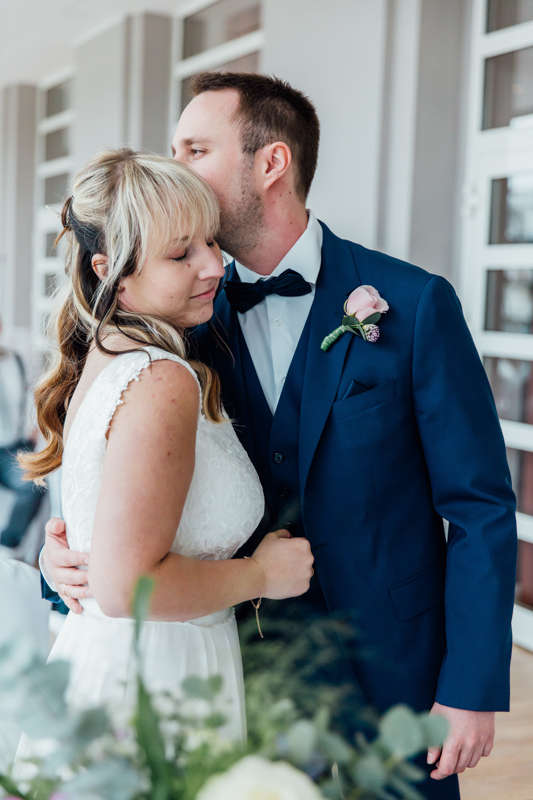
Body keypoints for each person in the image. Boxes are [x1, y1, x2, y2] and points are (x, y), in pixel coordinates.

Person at [42, 75, 517, 798]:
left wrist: (472, 685)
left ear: (270, 164)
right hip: (232, 681)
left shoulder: (415, 304)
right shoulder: (177, 322)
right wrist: (66, 556)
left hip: (393, 680)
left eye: (195, 149)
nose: (174, 167)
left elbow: (478, 506)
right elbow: (125, 486)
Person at [21, 147, 313, 743]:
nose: (213, 267)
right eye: (181, 254)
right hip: (157, 682)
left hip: (125, 659)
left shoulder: (104, 357)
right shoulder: (160, 379)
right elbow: (128, 585)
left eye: (211, 241)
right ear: (110, 271)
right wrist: (260, 575)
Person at [0, 326, 44, 551]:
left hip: (12, 449)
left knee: (33, 483)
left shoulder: (17, 361)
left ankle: (7, 543)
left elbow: (37, 392)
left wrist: (36, 425)